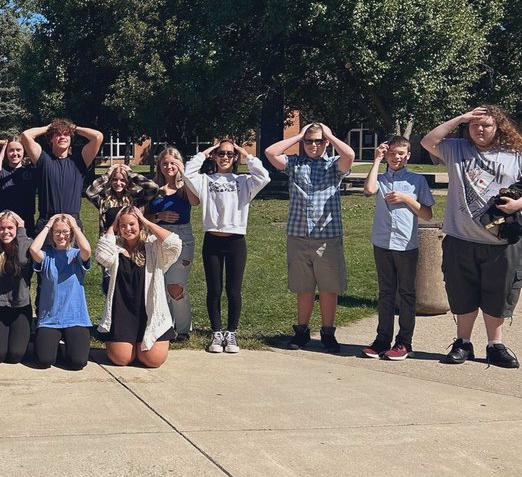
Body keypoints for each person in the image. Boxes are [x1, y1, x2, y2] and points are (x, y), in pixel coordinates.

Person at [421, 105, 522, 369]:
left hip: (502, 241)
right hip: (461, 238)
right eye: (474, 125)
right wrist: (461, 117)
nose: (480, 130)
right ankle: (462, 343)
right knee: (462, 292)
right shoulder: (456, 148)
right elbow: (427, 141)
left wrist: (520, 203)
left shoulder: (516, 153)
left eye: (486, 125)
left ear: (498, 127)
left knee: (499, 294)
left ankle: (495, 346)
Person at [265, 122, 355, 353]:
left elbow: (349, 154)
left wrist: (330, 135)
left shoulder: (334, 165)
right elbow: (270, 152)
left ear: (325, 142)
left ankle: (327, 332)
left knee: (328, 287)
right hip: (298, 234)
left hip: (327, 236)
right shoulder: (295, 163)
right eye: (309, 141)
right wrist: (298, 136)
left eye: (318, 141)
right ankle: (301, 331)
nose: (313, 145)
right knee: (303, 287)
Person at [185, 139, 270, 354]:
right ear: (214, 155)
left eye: (230, 154)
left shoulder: (244, 181)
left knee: (233, 290)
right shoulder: (205, 180)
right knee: (214, 289)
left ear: (235, 158)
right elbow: (188, 172)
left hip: (236, 241)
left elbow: (264, 176)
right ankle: (216, 332)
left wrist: (246, 153)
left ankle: (231, 333)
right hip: (212, 240)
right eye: (221, 153)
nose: (225, 157)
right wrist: (205, 152)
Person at [360, 137, 435, 360]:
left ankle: (404, 342)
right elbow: (368, 189)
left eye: (401, 153)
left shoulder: (416, 181)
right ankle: (382, 340)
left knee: (406, 293)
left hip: (405, 244)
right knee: (385, 293)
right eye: (392, 153)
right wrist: (376, 160)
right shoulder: (381, 178)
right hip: (382, 242)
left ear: (408, 155)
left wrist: (406, 199)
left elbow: (428, 215)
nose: (396, 157)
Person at [95, 207, 182, 367]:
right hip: (122, 312)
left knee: (153, 361)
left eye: (132, 224)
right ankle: (130, 345)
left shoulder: (154, 247)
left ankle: (140, 345)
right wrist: (112, 226)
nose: (127, 229)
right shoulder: (116, 247)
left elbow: (174, 244)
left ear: (139, 224)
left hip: (151, 312)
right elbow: (102, 255)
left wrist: (147, 221)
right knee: (122, 360)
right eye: (122, 225)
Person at [146, 147, 200, 342]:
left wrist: (184, 175)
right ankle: (165, 327)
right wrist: (159, 216)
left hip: (182, 237)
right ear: (159, 166)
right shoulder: (153, 189)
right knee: (159, 285)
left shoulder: (185, 188)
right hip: (157, 237)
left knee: (175, 285)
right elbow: (143, 217)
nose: (169, 166)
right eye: (165, 163)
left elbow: (195, 202)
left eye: (173, 163)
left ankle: (184, 329)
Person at [29, 213, 93, 370]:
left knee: (78, 363)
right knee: (44, 361)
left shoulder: (76, 255)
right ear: (52, 233)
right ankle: (53, 346)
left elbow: (87, 249)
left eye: (65, 232)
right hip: (50, 319)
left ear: (71, 233)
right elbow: (33, 249)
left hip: (76, 318)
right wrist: (49, 224)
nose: (61, 235)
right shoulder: (47, 255)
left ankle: (69, 347)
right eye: (57, 232)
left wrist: (75, 226)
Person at [86, 162, 160, 295]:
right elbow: (90, 192)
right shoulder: (104, 200)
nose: (118, 183)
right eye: (115, 179)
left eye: (122, 180)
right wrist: (107, 174)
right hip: (112, 245)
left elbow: (153, 188)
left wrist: (131, 174)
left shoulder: (136, 199)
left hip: (133, 245)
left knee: (135, 284)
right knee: (111, 286)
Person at [20, 118, 105, 228]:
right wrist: (48, 127)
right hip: (47, 223)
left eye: (66, 134)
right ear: (51, 138)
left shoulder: (79, 161)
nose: (63, 137)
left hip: (72, 224)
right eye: (58, 134)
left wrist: (74, 128)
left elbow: (97, 137)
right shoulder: (43, 160)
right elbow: (26, 135)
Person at [0, 210, 33, 364]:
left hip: (20, 307)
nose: (6, 232)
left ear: (17, 230)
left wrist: (22, 228)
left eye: (10, 228)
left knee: (15, 356)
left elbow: (23, 260)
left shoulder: (26, 243)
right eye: (2, 228)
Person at [0, 136, 37, 229]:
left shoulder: (31, 169)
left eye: (18, 150)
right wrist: (1, 154)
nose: (15, 153)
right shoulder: (1, 169)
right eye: (11, 150)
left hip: (26, 219)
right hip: (4, 220)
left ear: (24, 151)